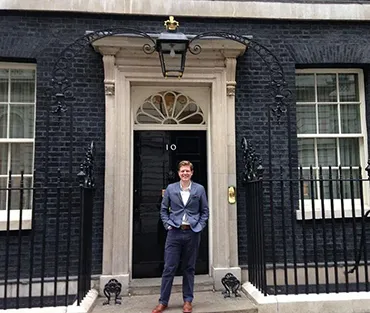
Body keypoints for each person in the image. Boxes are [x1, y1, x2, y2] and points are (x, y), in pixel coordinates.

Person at [152, 160, 209, 313]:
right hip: (174, 232)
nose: (185, 173)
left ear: (192, 172)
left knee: (189, 268)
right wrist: (168, 225)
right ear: (178, 173)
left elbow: (205, 211)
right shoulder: (171, 189)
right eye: (182, 171)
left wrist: (200, 226)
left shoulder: (199, 189)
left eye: (187, 171)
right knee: (169, 267)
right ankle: (163, 302)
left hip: (192, 232)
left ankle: (187, 301)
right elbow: (163, 210)